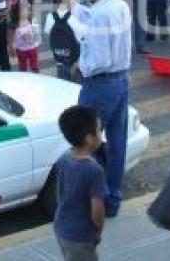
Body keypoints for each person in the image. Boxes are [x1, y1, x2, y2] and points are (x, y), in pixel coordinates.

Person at [71, 0, 132, 217]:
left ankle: (90, 199)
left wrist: (81, 56)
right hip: (121, 79)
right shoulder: (119, 5)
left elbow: (98, 61)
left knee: (84, 142)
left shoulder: (99, 14)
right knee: (117, 144)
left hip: (100, 82)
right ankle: (112, 200)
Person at [53, 105, 107, 261]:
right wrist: (98, 230)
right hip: (81, 236)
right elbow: (97, 211)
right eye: (99, 130)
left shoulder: (64, 158)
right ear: (89, 139)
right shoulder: (93, 170)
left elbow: (59, 193)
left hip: (62, 227)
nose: (101, 134)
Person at [45, 0, 84, 82]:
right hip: (77, 64)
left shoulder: (50, 16)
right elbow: (83, 38)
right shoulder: (77, 17)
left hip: (60, 61)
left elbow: (48, 31)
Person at [13, 3, 41, 73]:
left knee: (34, 64)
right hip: (21, 49)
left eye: (28, 10)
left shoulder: (33, 21)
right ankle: (23, 76)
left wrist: (33, 36)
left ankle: (36, 74)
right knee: (22, 66)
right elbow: (15, 37)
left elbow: (36, 34)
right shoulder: (17, 24)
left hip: (32, 47)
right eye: (25, 11)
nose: (28, 12)